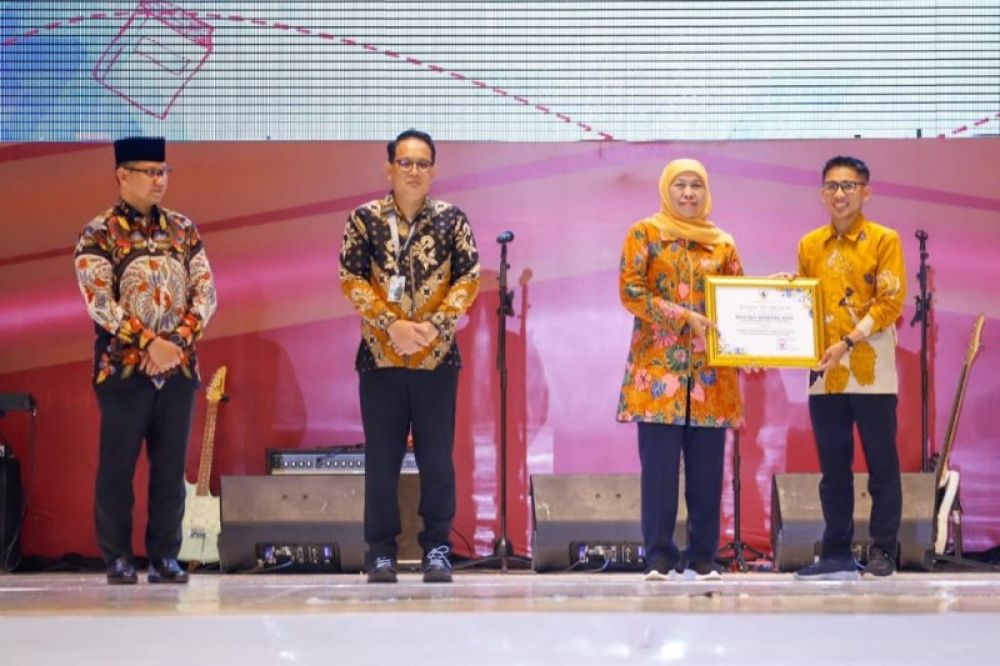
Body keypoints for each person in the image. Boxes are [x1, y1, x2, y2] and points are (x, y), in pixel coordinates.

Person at [74, 137, 218, 584]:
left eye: (163, 172)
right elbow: (99, 300)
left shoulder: (182, 228)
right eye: (149, 172)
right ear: (122, 175)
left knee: (170, 468)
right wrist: (149, 344)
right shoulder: (99, 232)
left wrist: (174, 343)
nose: (159, 180)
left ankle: (164, 556)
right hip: (123, 369)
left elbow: (206, 293)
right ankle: (117, 557)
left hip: (178, 368)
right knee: (117, 467)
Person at [339, 129, 480, 583]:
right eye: (405, 163)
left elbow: (469, 279)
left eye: (423, 163)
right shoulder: (364, 219)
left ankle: (437, 548)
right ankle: (379, 551)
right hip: (380, 358)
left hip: (436, 359)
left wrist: (431, 328)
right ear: (389, 169)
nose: (414, 171)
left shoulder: (452, 220)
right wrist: (391, 324)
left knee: (438, 459)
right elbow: (351, 280)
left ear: (434, 170)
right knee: (382, 460)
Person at [617, 158, 744, 582]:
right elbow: (631, 292)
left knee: (708, 473)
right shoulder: (645, 233)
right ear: (666, 189)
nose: (688, 194)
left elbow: (739, 300)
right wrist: (681, 316)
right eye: (680, 186)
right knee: (659, 473)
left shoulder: (722, 243)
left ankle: (704, 556)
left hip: (711, 375)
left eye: (696, 186)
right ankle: (658, 556)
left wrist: (774, 302)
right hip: (658, 375)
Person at [790, 156, 906, 580]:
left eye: (849, 185)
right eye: (833, 186)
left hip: (871, 368)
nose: (840, 194)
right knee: (833, 469)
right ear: (822, 193)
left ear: (866, 191)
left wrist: (848, 341)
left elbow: (890, 303)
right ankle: (836, 552)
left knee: (882, 466)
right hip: (825, 372)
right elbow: (805, 303)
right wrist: (786, 299)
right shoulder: (809, 245)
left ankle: (882, 552)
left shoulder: (883, 240)